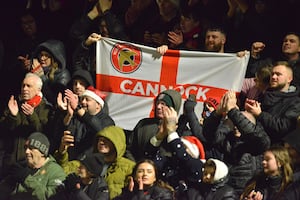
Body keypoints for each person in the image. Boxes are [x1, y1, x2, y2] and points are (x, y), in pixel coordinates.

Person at [203, 90, 270, 195]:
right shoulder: (227, 140)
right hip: (222, 192)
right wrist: (217, 114)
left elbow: (253, 134)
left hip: (244, 194)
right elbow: (208, 134)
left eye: (239, 122)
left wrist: (233, 111)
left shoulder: (259, 144)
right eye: (234, 123)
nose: (236, 126)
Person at [55, 125, 136, 199]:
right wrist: (62, 152)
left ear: (117, 144)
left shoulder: (129, 168)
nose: (101, 142)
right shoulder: (84, 162)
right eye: (100, 140)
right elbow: (61, 170)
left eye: (106, 140)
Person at [0, 72, 52, 176]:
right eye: (23, 85)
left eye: (29, 86)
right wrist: (13, 116)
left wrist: (32, 116)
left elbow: (43, 133)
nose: (24, 89)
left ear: (38, 90)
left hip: (29, 163)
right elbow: (4, 130)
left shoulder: (45, 108)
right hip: (9, 159)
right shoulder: (13, 104)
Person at [245, 61, 300, 144]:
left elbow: (283, 127)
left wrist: (260, 114)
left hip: (273, 148)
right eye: (272, 74)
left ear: (289, 78)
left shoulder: (295, 102)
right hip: (253, 142)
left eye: (278, 74)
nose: (273, 77)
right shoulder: (264, 95)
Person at [53, 86, 115, 160]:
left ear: (98, 105)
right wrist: (68, 114)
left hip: (90, 164)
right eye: (82, 99)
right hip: (71, 160)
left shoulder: (107, 121)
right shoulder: (77, 116)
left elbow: (99, 129)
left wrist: (78, 108)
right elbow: (59, 133)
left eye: (87, 100)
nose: (83, 102)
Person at [0, 132, 66, 200]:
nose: (26, 151)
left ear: (42, 152)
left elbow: (52, 197)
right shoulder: (22, 167)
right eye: (26, 148)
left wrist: (26, 179)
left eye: (31, 148)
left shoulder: (56, 172)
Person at [130, 89, 182, 162]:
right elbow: (130, 149)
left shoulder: (181, 130)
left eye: (163, 104)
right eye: (157, 103)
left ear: (173, 108)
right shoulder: (143, 124)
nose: (158, 107)